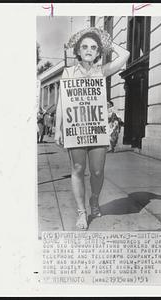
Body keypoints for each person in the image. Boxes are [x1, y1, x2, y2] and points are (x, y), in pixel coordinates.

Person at [55, 27, 130, 230]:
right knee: (78, 169)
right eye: (85, 46)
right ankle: (81, 212)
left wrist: (105, 40)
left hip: (97, 128)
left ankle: (94, 200)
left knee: (97, 171)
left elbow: (126, 55)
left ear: (98, 52)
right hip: (76, 128)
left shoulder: (101, 71)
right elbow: (62, 102)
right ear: (78, 51)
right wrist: (57, 129)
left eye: (94, 47)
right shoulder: (68, 72)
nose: (89, 50)